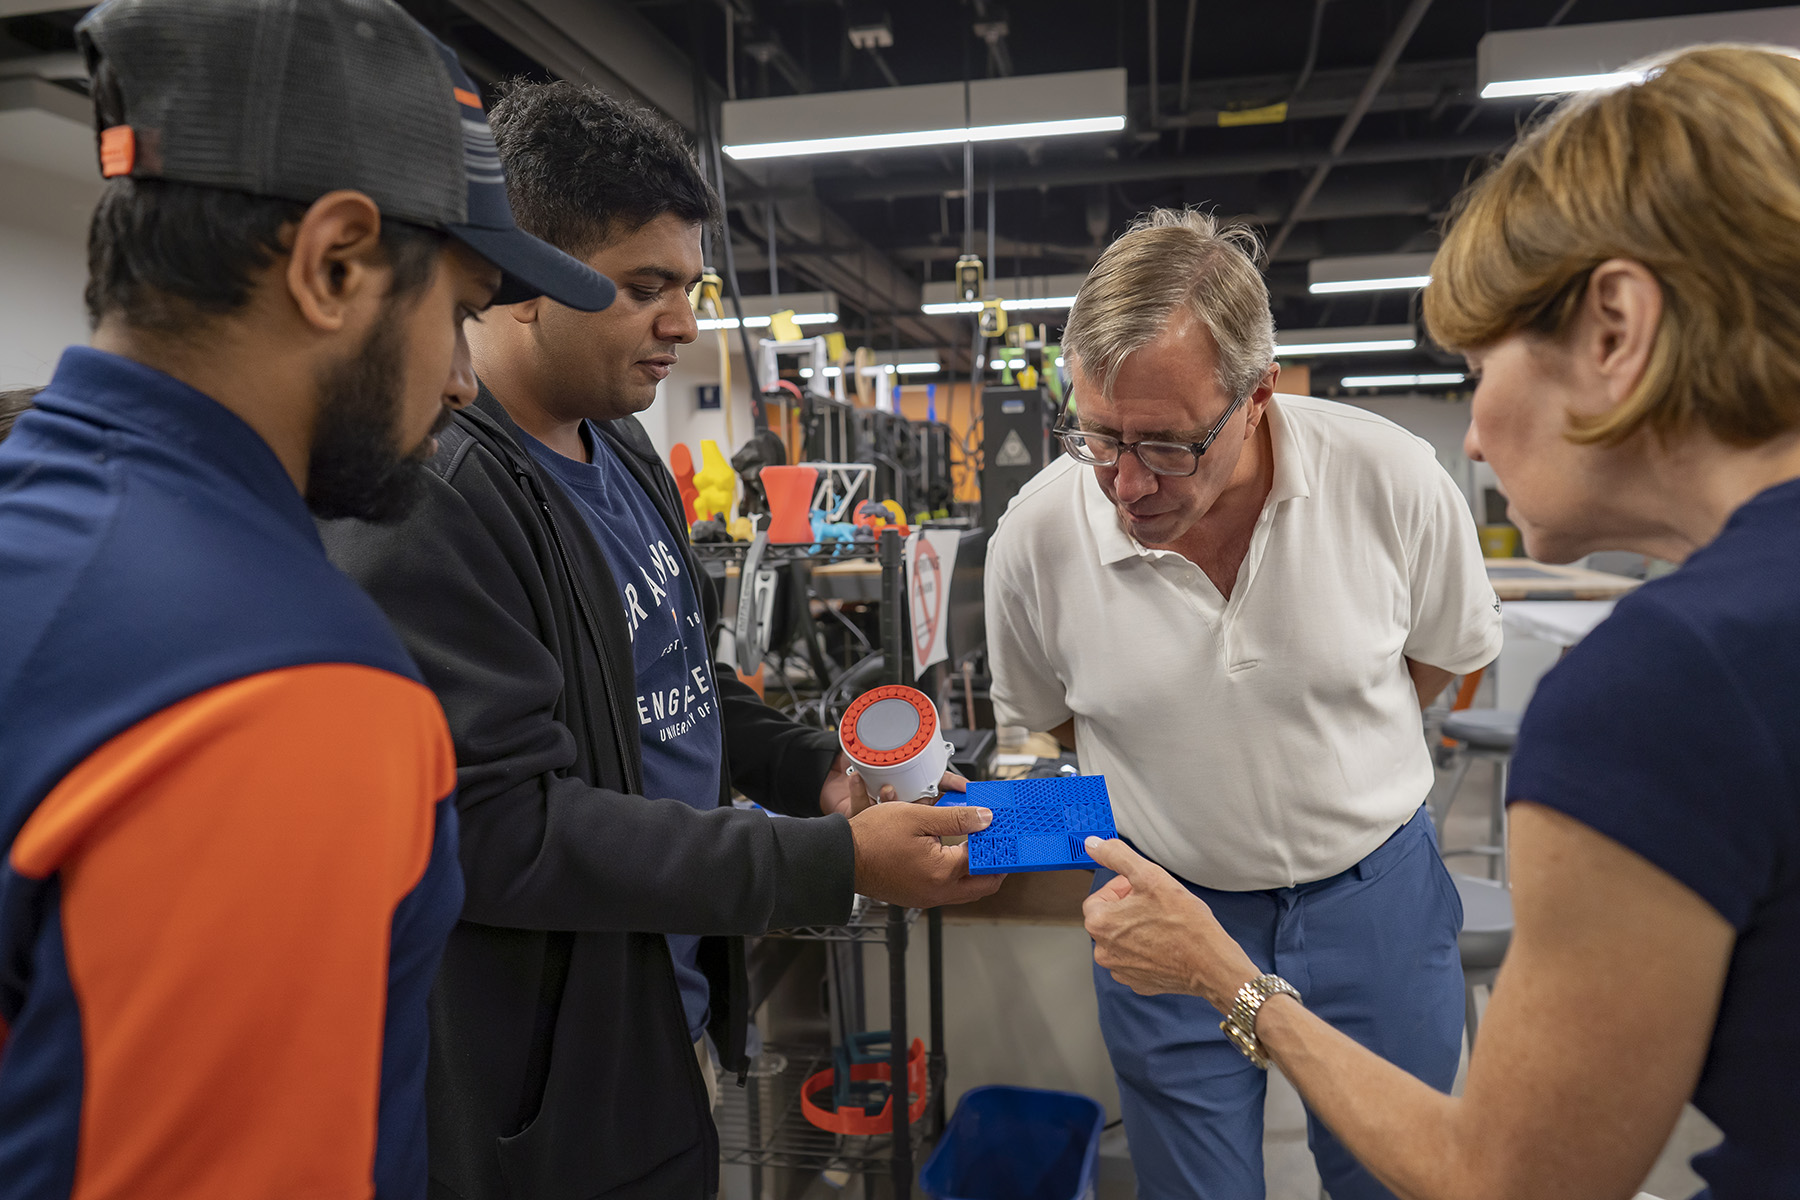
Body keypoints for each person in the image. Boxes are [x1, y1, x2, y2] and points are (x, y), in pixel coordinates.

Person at [1083, 44, 1800, 1200]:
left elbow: (1513, 1180)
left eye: (1478, 365)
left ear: (1615, 327)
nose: (1472, 434)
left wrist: (1229, 979)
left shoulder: (1661, 686)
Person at [320, 80, 1001, 1200]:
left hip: (663, 1008)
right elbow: (503, 832)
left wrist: (813, 773)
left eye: (690, 286)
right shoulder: (431, 498)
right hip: (548, 1083)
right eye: (646, 289)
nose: (684, 324)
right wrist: (825, 864)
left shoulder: (623, 451)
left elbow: (680, 681)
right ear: (523, 278)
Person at [0, 1, 615, 1196]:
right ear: (334, 264)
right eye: (459, 311)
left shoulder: (32, 520)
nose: (460, 383)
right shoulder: (285, 692)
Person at [985, 208, 1501, 1198]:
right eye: (1097, 436)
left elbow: (1442, 658)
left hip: (1375, 893)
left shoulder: (1388, 480)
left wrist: (1325, 750)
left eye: (1169, 445)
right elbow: (1059, 718)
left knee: (1396, 1178)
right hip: (1170, 906)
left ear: (1260, 394)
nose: (1127, 483)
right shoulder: (1041, 536)